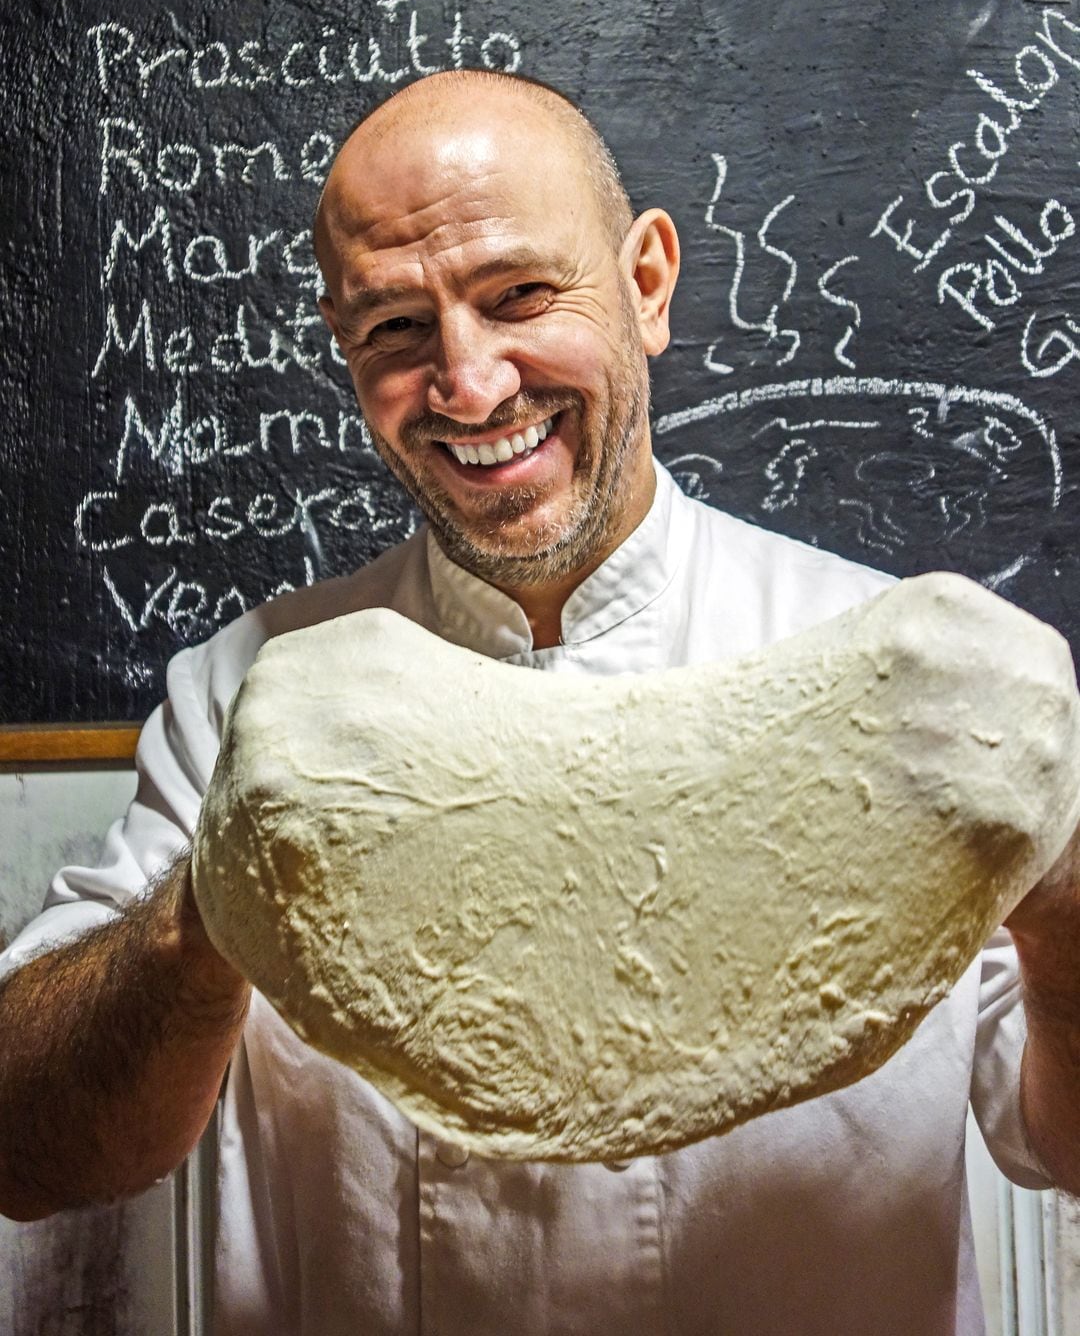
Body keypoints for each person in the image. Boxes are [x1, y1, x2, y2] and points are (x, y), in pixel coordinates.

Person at [1, 70, 1078, 1336]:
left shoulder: (912, 690)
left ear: (648, 285)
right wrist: (201, 918)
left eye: (518, 296)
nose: (467, 384)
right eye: (395, 329)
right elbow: (26, 1147)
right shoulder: (254, 700)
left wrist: (1065, 881)